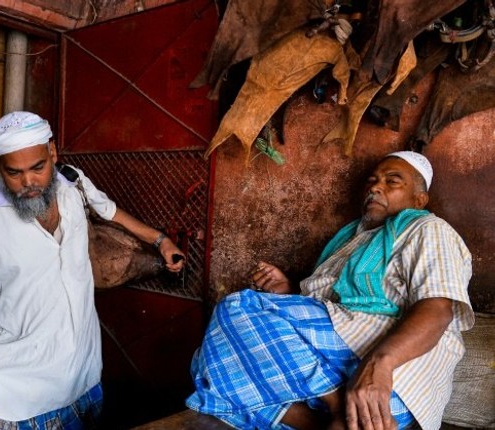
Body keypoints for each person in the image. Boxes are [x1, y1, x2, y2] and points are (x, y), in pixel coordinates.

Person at [0, 111, 185, 429]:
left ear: (52, 153)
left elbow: (109, 211)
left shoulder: (73, 183)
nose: (28, 182)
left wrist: (160, 239)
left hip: (84, 384)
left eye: (38, 168)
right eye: (14, 172)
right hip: (21, 402)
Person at [186, 151, 473, 430]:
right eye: (372, 180)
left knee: (238, 309)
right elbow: (327, 310)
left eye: (392, 181)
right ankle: (342, 412)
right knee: (207, 364)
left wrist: (377, 368)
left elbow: (438, 310)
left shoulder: (427, 228)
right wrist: (287, 293)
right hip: (350, 380)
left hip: (392, 382)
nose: (375, 187)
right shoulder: (350, 239)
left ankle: (341, 408)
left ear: (419, 199)